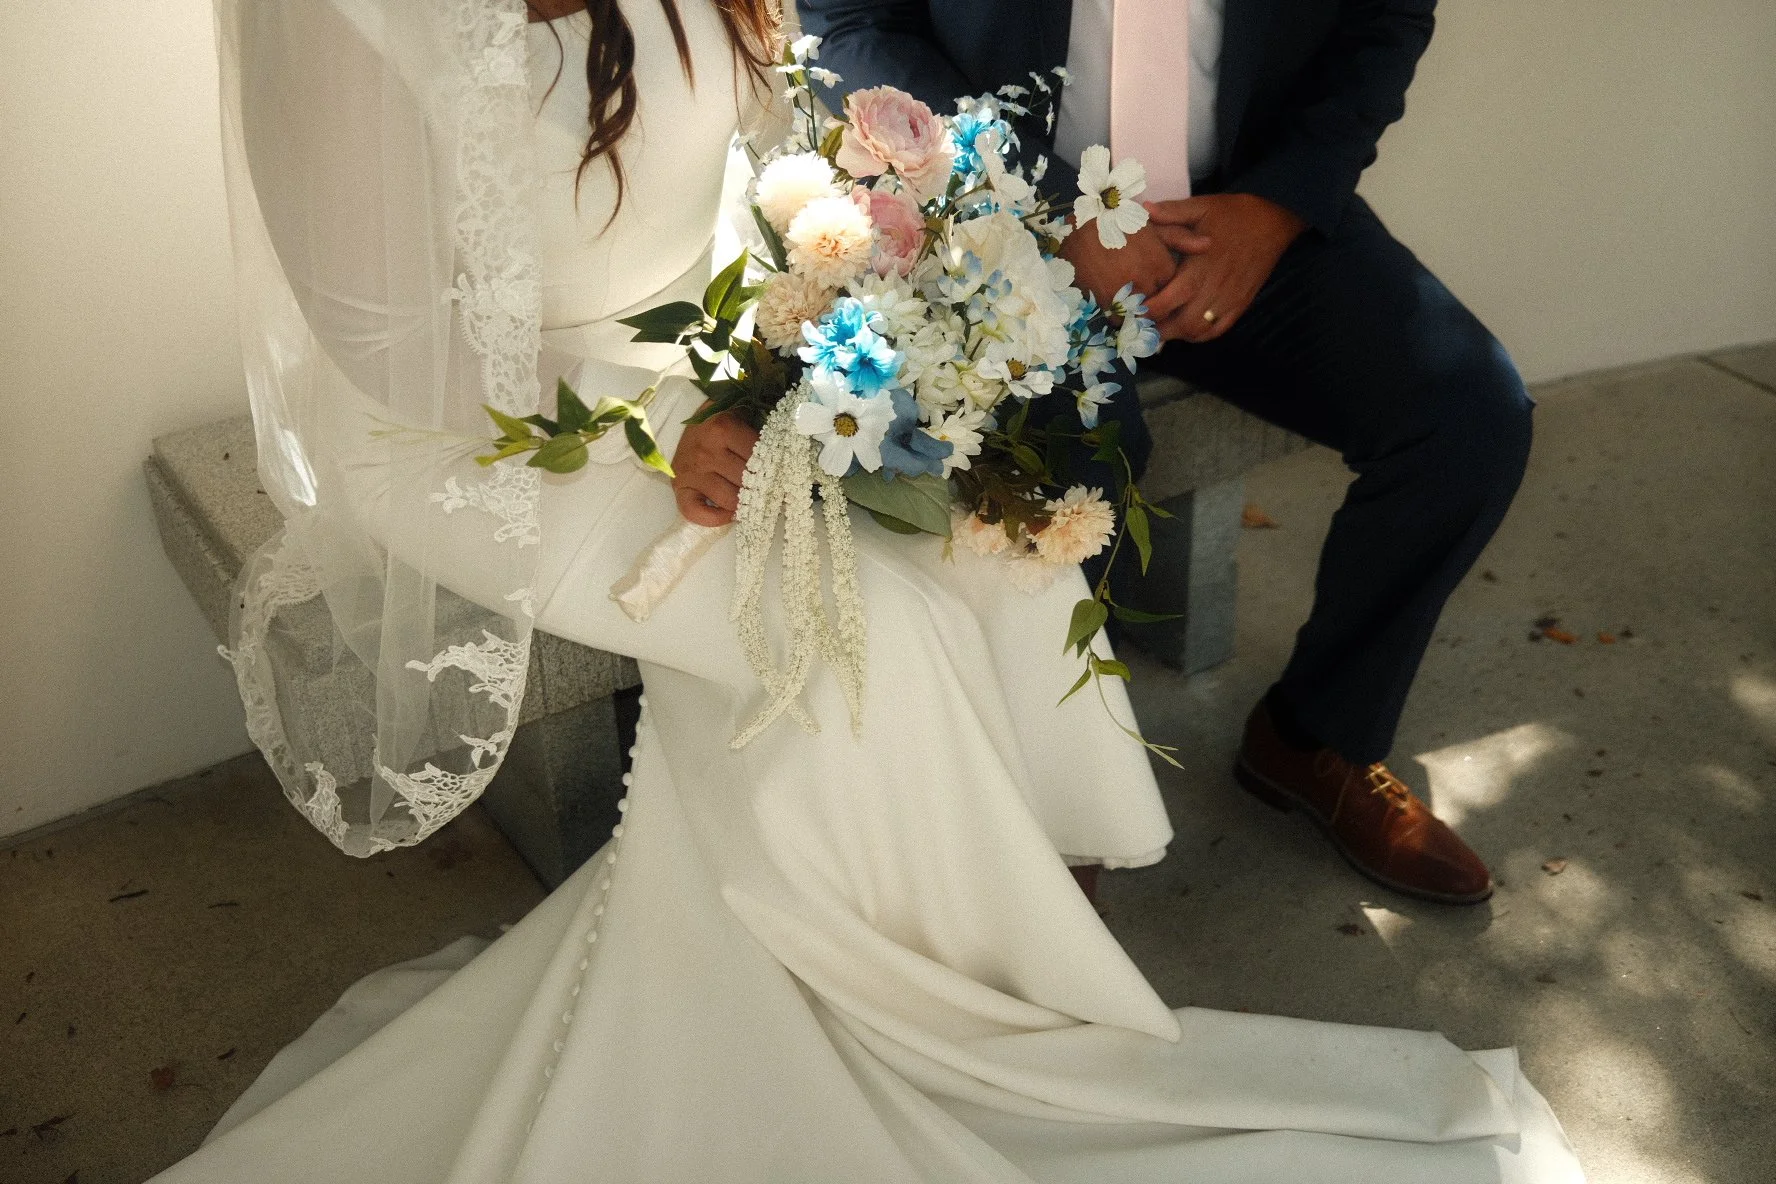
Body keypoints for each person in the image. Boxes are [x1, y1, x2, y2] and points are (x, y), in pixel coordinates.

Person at [153, 1, 1582, 1180]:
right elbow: (394, 346)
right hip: (489, 431)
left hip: (713, 358)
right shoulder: (333, 20)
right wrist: (685, 420)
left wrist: (826, 312)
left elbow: (757, 156)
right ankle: (919, 1001)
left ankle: (1016, 919)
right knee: (875, 622)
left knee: (996, 550)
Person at [800, 0, 1533, 906]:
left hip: (1240, 206)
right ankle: (1063, 801)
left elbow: (1384, 17)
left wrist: (1274, 209)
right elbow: (849, 19)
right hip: (1005, 216)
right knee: (1079, 458)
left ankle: (1315, 737)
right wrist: (1047, 204)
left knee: (1470, 419)